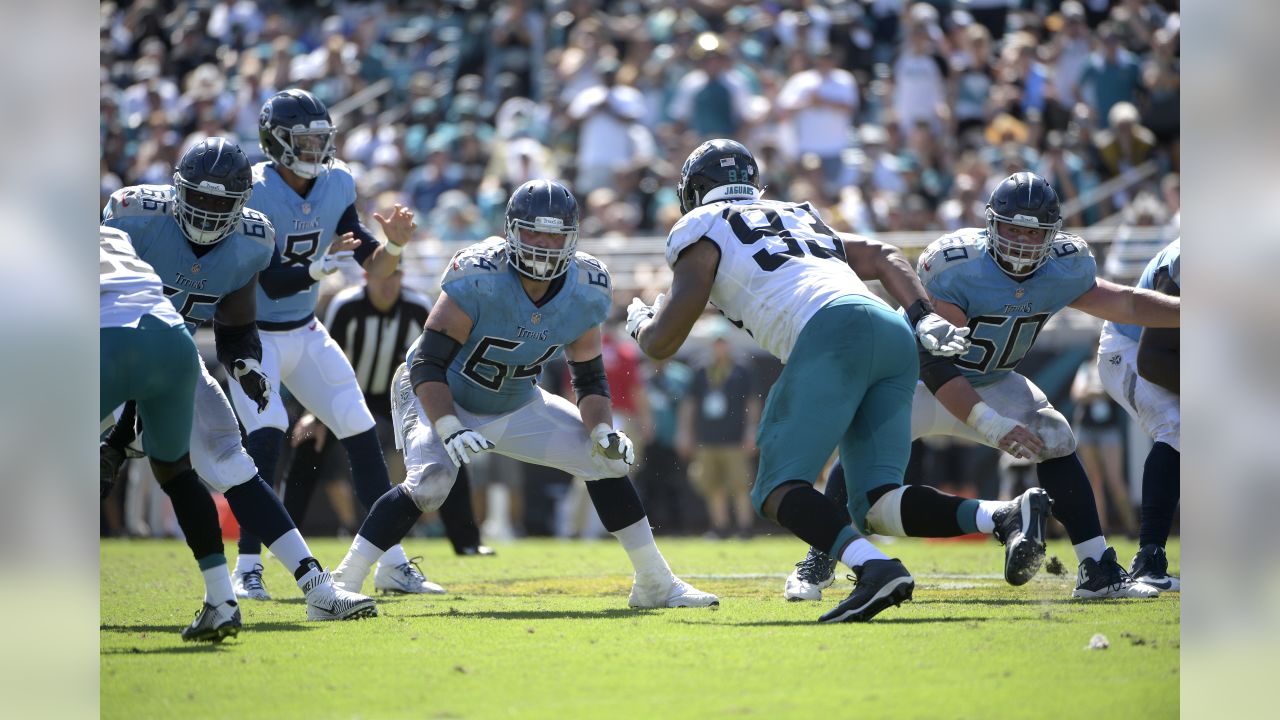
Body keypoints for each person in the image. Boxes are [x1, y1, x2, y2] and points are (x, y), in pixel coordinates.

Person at [627, 139, 1051, 623]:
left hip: (830, 331)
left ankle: (875, 570)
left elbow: (664, 343)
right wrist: (922, 315)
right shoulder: (797, 214)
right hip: (890, 329)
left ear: (694, 191)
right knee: (874, 502)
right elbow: (883, 253)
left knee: (776, 488)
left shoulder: (700, 226)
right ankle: (1003, 516)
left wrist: (643, 325)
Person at [781, 171, 1179, 600]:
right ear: (991, 224)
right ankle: (819, 557)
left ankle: (1097, 569)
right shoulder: (957, 266)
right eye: (1012, 229)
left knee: (1055, 435)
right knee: (861, 468)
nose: (1022, 242)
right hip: (909, 381)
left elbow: (1126, 302)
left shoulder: (1064, 266)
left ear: (1052, 234)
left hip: (991, 377)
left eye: (1034, 232)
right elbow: (935, 364)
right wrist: (990, 424)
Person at [329, 179, 718, 609]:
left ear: (573, 237)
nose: (543, 244)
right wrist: (449, 424)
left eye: (555, 233)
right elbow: (427, 362)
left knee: (604, 463)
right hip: (440, 394)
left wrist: (603, 431)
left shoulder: (586, 287)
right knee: (432, 482)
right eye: (532, 231)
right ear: (511, 230)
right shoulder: (480, 274)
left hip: (515, 401)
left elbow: (588, 377)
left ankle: (655, 584)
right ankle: (343, 580)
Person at [101, 136, 376, 621]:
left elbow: (236, 325)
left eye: (220, 202)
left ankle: (316, 587)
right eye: (199, 198)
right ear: (177, 189)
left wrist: (245, 365)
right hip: (104, 349)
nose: (207, 212)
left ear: (242, 202)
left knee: (232, 462)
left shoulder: (252, 239)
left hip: (173, 359)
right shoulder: (133, 214)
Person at [225, 88, 437, 600]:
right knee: (266, 439)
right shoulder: (252, 190)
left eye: (323, 138)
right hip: (255, 335)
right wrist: (320, 265)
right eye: (306, 139)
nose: (317, 149)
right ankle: (247, 567)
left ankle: (390, 560)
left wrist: (395, 245)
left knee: (360, 429)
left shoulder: (337, 182)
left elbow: (372, 264)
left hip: (306, 330)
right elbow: (265, 280)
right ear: (275, 141)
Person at [283, 268, 492, 557]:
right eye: (382, 273)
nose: (388, 282)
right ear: (367, 276)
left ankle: (467, 541)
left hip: (398, 394)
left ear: (402, 276)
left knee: (448, 444)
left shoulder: (417, 307)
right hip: (347, 393)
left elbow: (437, 360)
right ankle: (284, 536)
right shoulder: (346, 306)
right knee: (309, 441)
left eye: (394, 274)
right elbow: (322, 363)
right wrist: (315, 414)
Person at [100, 226, 238, 641]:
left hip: (108, 339)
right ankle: (221, 601)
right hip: (174, 340)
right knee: (176, 472)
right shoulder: (114, 234)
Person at [1097, 238, 1180, 590]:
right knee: (1178, 429)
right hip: (1128, 350)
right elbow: (1152, 359)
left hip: (1171, 351)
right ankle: (1148, 558)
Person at [677, 325, 759, 539]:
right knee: (713, 486)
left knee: (740, 484)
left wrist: (751, 432)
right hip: (707, 438)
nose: (720, 346)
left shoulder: (742, 368)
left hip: (734, 438)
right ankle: (720, 527)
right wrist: (686, 433)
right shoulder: (701, 369)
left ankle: (745, 528)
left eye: (723, 342)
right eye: (716, 342)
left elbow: (751, 403)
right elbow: (690, 404)